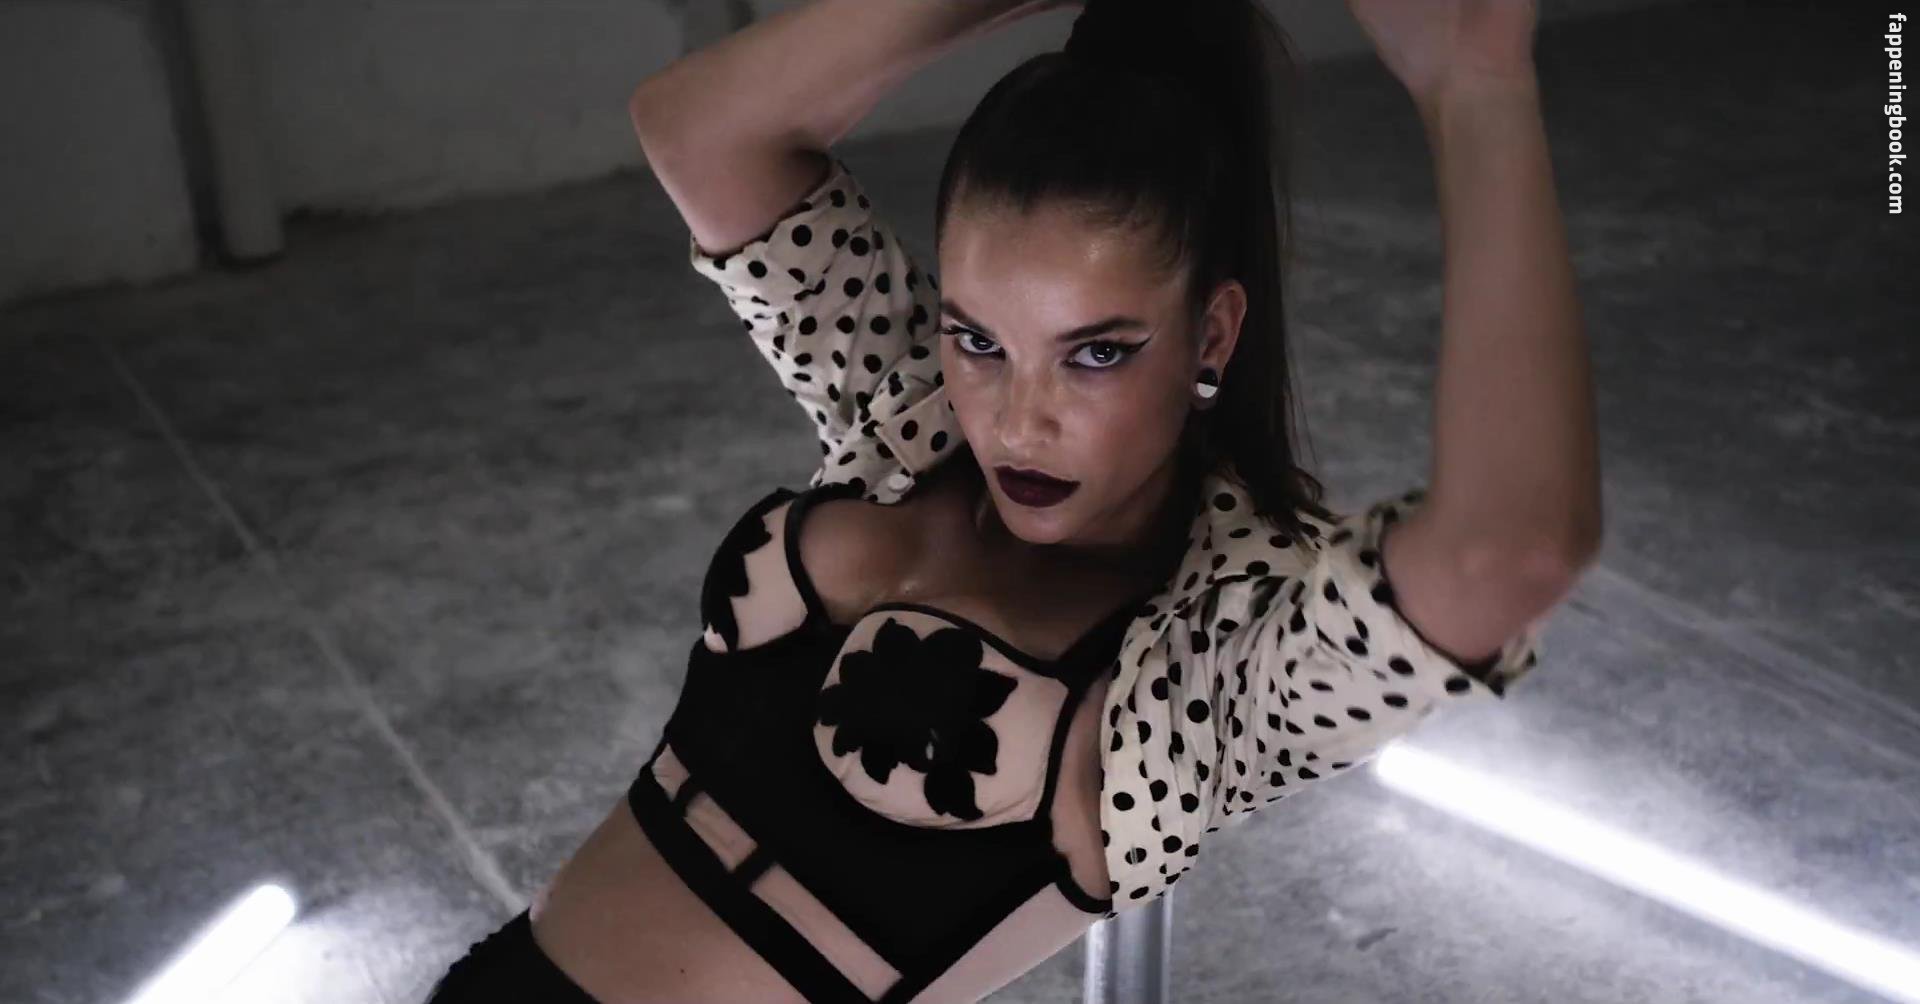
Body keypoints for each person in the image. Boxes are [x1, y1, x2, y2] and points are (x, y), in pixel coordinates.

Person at [424, 0, 1598, 1000]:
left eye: (1097, 353)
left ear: (1212, 333)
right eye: (980, 337)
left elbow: (1508, 554)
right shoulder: (910, 412)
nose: (1018, 420)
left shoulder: (1205, 652)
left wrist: (1476, 88)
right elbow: (697, 129)